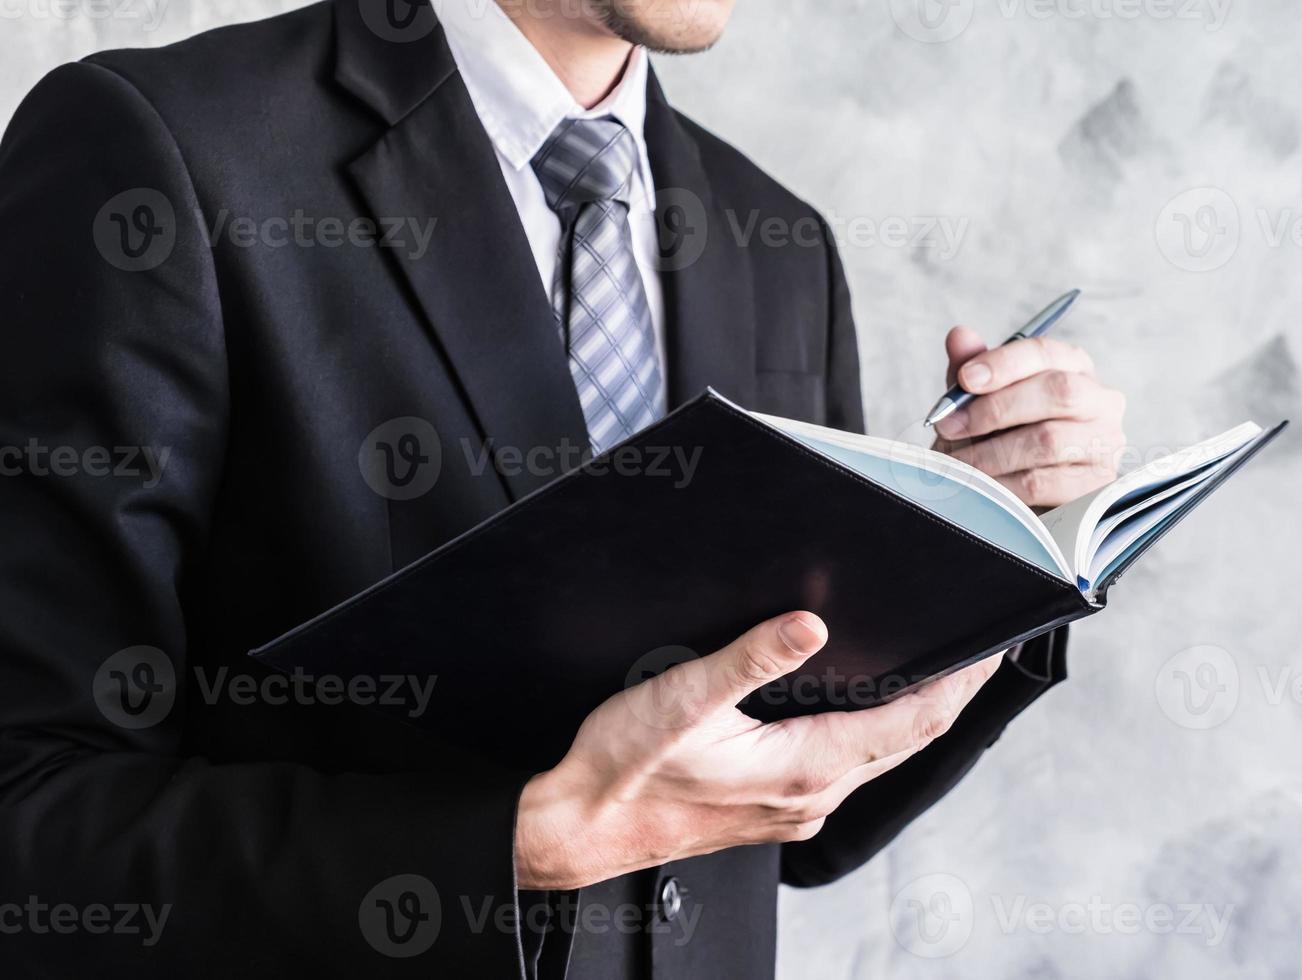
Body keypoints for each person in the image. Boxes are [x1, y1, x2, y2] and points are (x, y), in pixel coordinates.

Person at [0, 0, 1127, 975]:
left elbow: (794, 828)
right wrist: (525, 840)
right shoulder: (160, 150)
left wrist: (992, 555)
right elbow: (31, 809)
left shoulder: (777, 244)